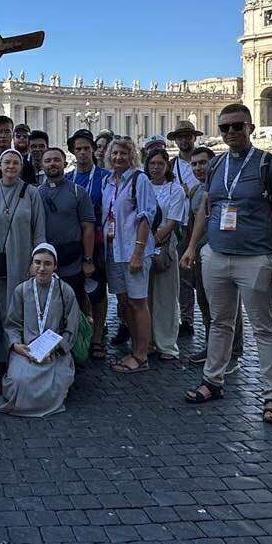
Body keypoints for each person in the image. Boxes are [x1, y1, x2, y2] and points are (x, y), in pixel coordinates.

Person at [181, 103, 272, 425]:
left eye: (237, 126)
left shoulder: (269, 165)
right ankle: (212, 380)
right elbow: (206, 207)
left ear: (250, 128)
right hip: (216, 254)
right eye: (225, 128)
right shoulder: (216, 166)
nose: (231, 132)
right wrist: (192, 246)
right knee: (219, 322)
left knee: (264, 328)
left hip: (256, 257)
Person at [0, 244, 80, 418]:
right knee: (18, 381)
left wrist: (56, 348)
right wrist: (16, 346)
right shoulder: (22, 290)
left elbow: (71, 328)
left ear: (55, 266)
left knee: (57, 382)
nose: (42, 268)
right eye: (37, 262)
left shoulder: (65, 291)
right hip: (26, 350)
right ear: (31, 264)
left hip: (55, 352)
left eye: (47, 263)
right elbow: (12, 324)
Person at [0, 148, 47, 370]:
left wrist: (36, 264)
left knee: (18, 309)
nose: (11, 167)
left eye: (15, 163)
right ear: (0, 165)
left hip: (22, 258)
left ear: (20, 166)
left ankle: (18, 356)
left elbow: (39, 231)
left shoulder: (32, 193)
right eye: (7, 163)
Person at [102, 137, 159, 373]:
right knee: (124, 302)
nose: (118, 158)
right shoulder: (107, 181)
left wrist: (137, 252)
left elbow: (145, 217)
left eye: (123, 153)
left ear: (131, 155)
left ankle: (142, 354)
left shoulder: (140, 179)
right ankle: (135, 348)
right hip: (113, 250)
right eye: (114, 153)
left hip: (133, 251)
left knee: (138, 302)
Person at [183, 147, 244, 367]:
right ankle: (213, 347)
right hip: (201, 254)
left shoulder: (224, 188)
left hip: (221, 252)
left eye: (203, 163)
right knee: (205, 303)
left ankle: (233, 352)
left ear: (213, 163)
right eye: (195, 164)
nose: (199, 168)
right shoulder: (195, 191)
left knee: (228, 306)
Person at [68, 130, 111, 358]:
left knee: (97, 291)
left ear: (93, 149)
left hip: (98, 243)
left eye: (86, 148)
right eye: (78, 149)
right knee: (79, 292)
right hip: (74, 242)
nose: (83, 152)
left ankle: (97, 336)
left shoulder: (105, 177)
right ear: (73, 152)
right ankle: (83, 332)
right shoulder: (67, 179)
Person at [38, 147, 94, 317]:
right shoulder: (35, 194)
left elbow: (88, 228)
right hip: (46, 261)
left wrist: (88, 260)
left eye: (56, 159)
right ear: (42, 165)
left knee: (73, 306)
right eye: (47, 161)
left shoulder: (78, 192)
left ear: (65, 163)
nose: (52, 164)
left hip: (72, 260)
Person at [144, 148, 187, 360]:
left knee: (166, 297)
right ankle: (148, 340)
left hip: (163, 245)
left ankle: (167, 343)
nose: (156, 168)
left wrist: (153, 239)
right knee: (145, 296)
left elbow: (172, 221)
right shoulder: (143, 185)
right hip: (143, 245)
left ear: (167, 166)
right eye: (152, 164)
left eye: (160, 164)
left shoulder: (175, 190)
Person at [166, 120, 202, 195]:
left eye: (188, 136)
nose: (184, 140)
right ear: (175, 141)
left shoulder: (206, 161)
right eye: (180, 137)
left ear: (194, 138)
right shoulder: (171, 166)